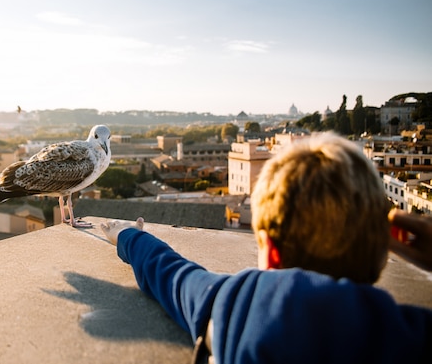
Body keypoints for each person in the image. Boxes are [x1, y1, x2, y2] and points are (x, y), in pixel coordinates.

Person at [101, 132, 432, 364]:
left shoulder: (234, 307)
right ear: (379, 256)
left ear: (272, 252)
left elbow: (168, 272)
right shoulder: (404, 335)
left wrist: (128, 236)